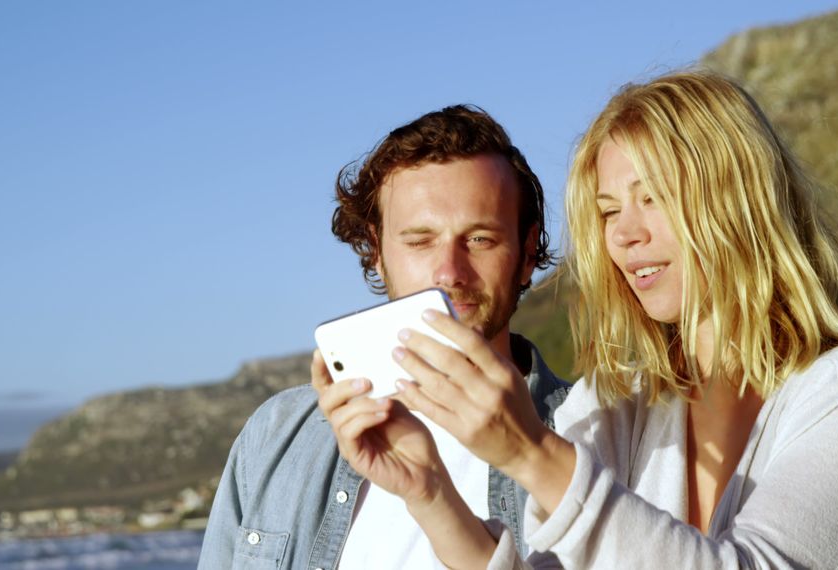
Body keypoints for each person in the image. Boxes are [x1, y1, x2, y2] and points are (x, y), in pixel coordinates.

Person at [390, 70, 838, 568]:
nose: (624, 235)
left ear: (737, 200)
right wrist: (430, 492)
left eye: (653, 197)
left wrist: (532, 454)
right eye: (609, 210)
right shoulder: (613, 405)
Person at [197, 105, 572, 569]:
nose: (449, 272)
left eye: (479, 239)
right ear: (377, 252)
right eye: (419, 241)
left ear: (528, 250)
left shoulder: (588, 436)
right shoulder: (275, 437)